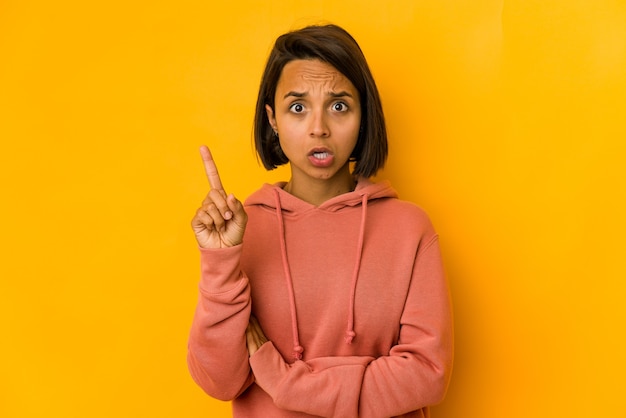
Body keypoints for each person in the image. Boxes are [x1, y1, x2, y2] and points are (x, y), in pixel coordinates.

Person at [187, 24, 453, 418]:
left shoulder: (409, 228)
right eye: (297, 107)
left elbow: (427, 375)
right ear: (272, 119)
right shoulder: (243, 232)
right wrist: (220, 264)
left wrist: (282, 381)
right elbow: (220, 381)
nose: (319, 128)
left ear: (364, 115)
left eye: (339, 105)